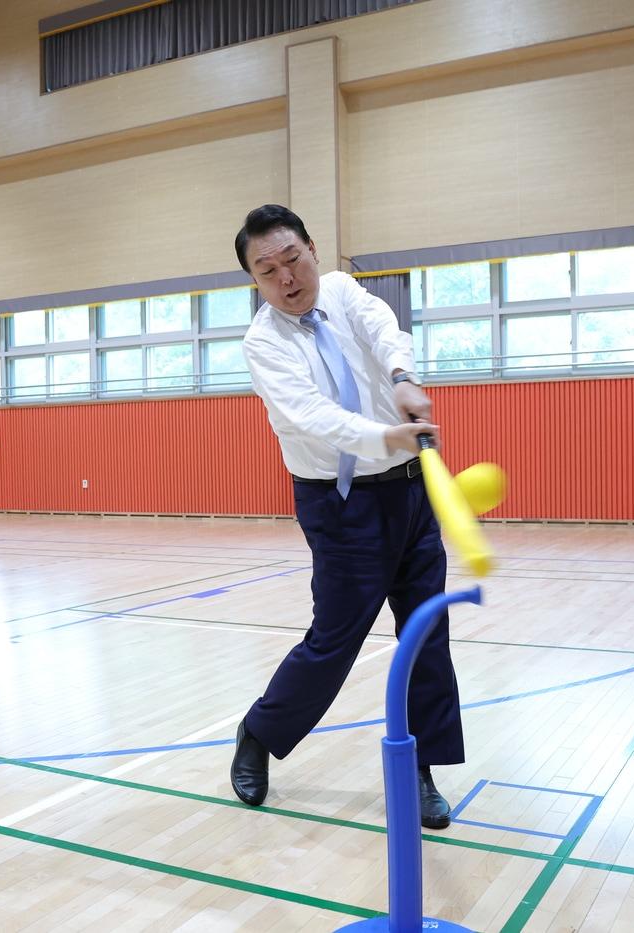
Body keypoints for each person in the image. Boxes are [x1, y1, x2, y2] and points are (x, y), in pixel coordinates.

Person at [228, 204, 463, 829]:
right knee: (335, 640)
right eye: (267, 270)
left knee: (423, 632)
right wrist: (388, 435)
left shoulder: (340, 288)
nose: (286, 278)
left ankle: (420, 770)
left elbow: (383, 328)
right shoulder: (263, 344)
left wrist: (404, 379)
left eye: (293, 259)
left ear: (312, 247)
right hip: (340, 502)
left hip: (410, 491)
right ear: (255, 280)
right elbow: (313, 417)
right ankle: (260, 732)